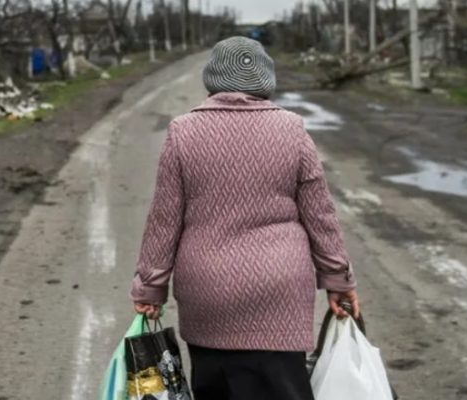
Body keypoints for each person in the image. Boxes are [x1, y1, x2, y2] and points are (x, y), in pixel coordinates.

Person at [130, 36, 359, 400]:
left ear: (212, 79)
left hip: (208, 294)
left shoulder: (182, 132)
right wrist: (337, 279)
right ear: (265, 81)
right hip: (278, 292)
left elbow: (164, 220)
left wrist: (151, 287)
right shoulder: (292, 130)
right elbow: (320, 215)